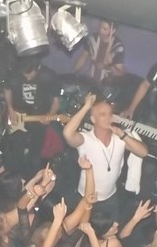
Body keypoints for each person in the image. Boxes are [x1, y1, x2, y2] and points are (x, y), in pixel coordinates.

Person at [63, 93, 148, 221]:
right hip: (86, 198)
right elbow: (67, 133)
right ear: (93, 119)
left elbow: (143, 152)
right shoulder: (86, 139)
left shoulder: (120, 138)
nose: (108, 117)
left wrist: (123, 135)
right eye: (103, 114)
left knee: (111, 231)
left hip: (110, 198)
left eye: (110, 114)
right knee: (81, 230)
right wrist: (86, 107)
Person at [2, 59, 61, 178]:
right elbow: (7, 89)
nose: (28, 78)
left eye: (30, 75)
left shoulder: (48, 76)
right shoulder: (15, 72)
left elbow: (57, 101)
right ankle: (14, 179)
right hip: (17, 115)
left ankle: (31, 179)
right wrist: (10, 109)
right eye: (25, 76)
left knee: (35, 152)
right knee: (16, 150)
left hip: (38, 116)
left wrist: (50, 115)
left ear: (37, 68)